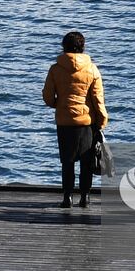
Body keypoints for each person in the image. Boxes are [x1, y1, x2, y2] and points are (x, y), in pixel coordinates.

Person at [42, 31, 107, 209]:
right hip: (86, 122)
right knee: (87, 162)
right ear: (83, 47)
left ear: (64, 47)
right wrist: (102, 122)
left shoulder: (55, 69)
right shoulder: (92, 69)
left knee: (67, 161)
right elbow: (98, 99)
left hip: (64, 122)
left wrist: (59, 104)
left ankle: (67, 197)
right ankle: (85, 197)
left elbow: (47, 97)